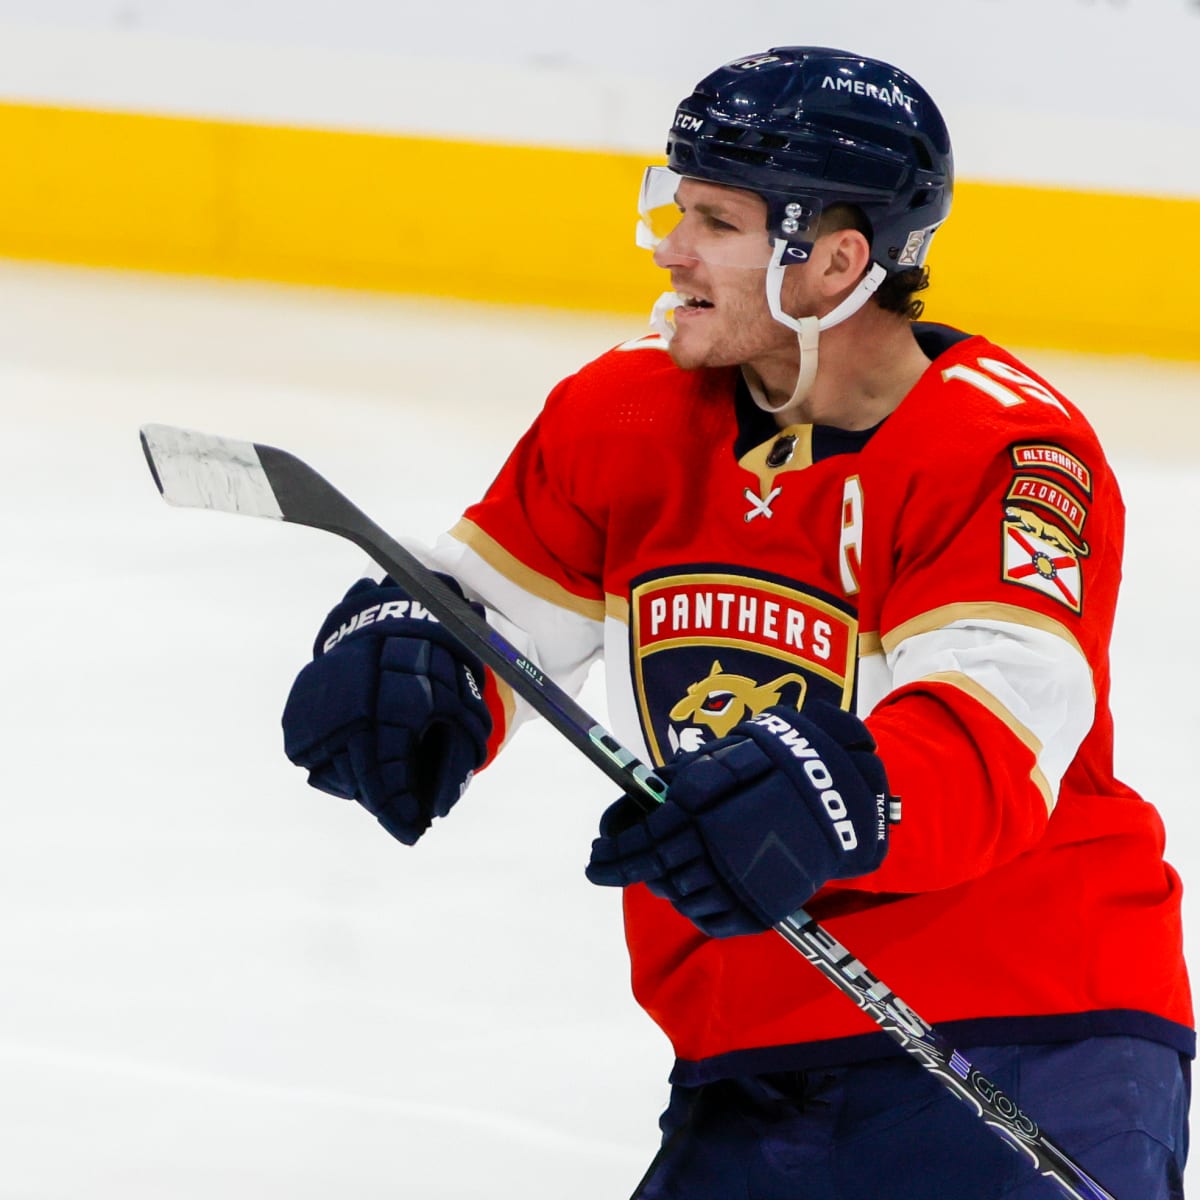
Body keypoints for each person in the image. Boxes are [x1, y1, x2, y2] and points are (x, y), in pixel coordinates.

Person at [280, 46, 1192, 1198]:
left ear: (837, 262)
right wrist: (415, 659)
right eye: (676, 207)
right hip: (749, 1042)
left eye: (715, 220)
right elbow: (492, 603)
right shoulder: (627, 407)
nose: (672, 248)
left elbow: (992, 733)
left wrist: (829, 789)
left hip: (1027, 1029)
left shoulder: (1006, 452)